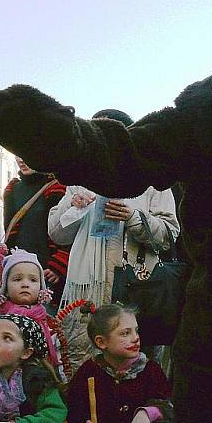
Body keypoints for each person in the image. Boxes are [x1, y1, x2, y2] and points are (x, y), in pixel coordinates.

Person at [47, 109, 179, 377]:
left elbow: (169, 234)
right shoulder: (79, 181)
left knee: (137, 372)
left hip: (138, 289)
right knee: (85, 367)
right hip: (87, 295)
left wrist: (133, 217)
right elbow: (56, 234)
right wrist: (74, 207)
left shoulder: (152, 181)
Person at [0, 249, 61, 370]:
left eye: (33, 280)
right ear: (5, 286)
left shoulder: (47, 322)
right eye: (17, 279)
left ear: (41, 287)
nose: (25, 284)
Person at [3, 157, 69, 311]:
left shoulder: (58, 186)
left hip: (47, 272)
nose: (21, 159)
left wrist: (59, 265)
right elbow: (9, 234)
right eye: (17, 154)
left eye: (25, 153)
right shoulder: (13, 189)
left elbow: (68, 230)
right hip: (17, 271)